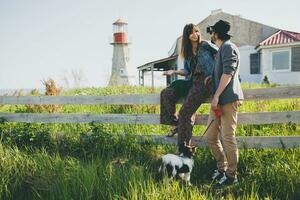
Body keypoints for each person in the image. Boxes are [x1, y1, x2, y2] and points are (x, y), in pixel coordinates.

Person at [160, 23, 217, 150]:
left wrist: (215, 73)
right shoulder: (187, 53)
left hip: (205, 82)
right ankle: (177, 123)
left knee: (185, 112)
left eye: (196, 31)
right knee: (167, 92)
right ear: (187, 35)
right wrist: (174, 72)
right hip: (193, 81)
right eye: (191, 32)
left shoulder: (205, 45)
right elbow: (186, 71)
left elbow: (220, 54)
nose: (195, 34)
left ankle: (184, 148)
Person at [204, 20, 244, 189]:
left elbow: (228, 73)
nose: (210, 35)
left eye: (212, 32)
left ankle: (231, 177)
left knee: (227, 138)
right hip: (219, 100)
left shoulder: (228, 47)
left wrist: (217, 96)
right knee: (211, 136)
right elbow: (222, 73)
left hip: (227, 99)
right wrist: (211, 79)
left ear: (216, 33)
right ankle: (222, 168)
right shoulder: (222, 49)